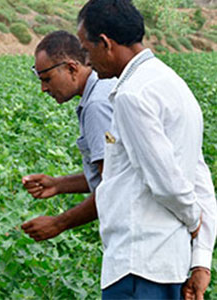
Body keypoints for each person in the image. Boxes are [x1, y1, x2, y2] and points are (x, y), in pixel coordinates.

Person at [76, 0, 217, 299]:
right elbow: (200, 179)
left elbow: (168, 184)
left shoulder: (132, 95)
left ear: (105, 43)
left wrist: (194, 220)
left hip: (137, 267)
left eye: (87, 50)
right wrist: (202, 260)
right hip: (170, 264)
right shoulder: (174, 85)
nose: (87, 62)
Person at [21, 30, 116, 241]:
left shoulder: (97, 105)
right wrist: (57, 185)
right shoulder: (101, 91)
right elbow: (112, 173)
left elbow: (113, 186)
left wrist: (58, 223)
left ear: (72, 68)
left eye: (47, 79)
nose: (43, 88)